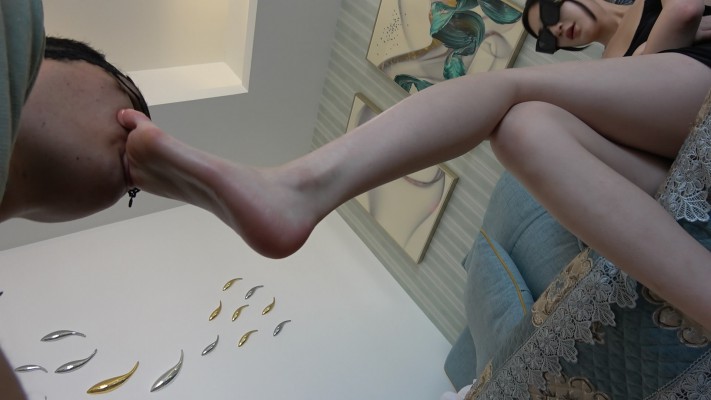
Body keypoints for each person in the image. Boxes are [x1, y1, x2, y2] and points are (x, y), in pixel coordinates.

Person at [115, 0, 711, 335]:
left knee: (511, 91)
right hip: (667, 152)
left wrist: (654, 38)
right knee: (521, 128)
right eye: (550, 38)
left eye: (551, 14)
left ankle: (302, 186)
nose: (556, 30)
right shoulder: (614, 58)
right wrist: (650, 47)